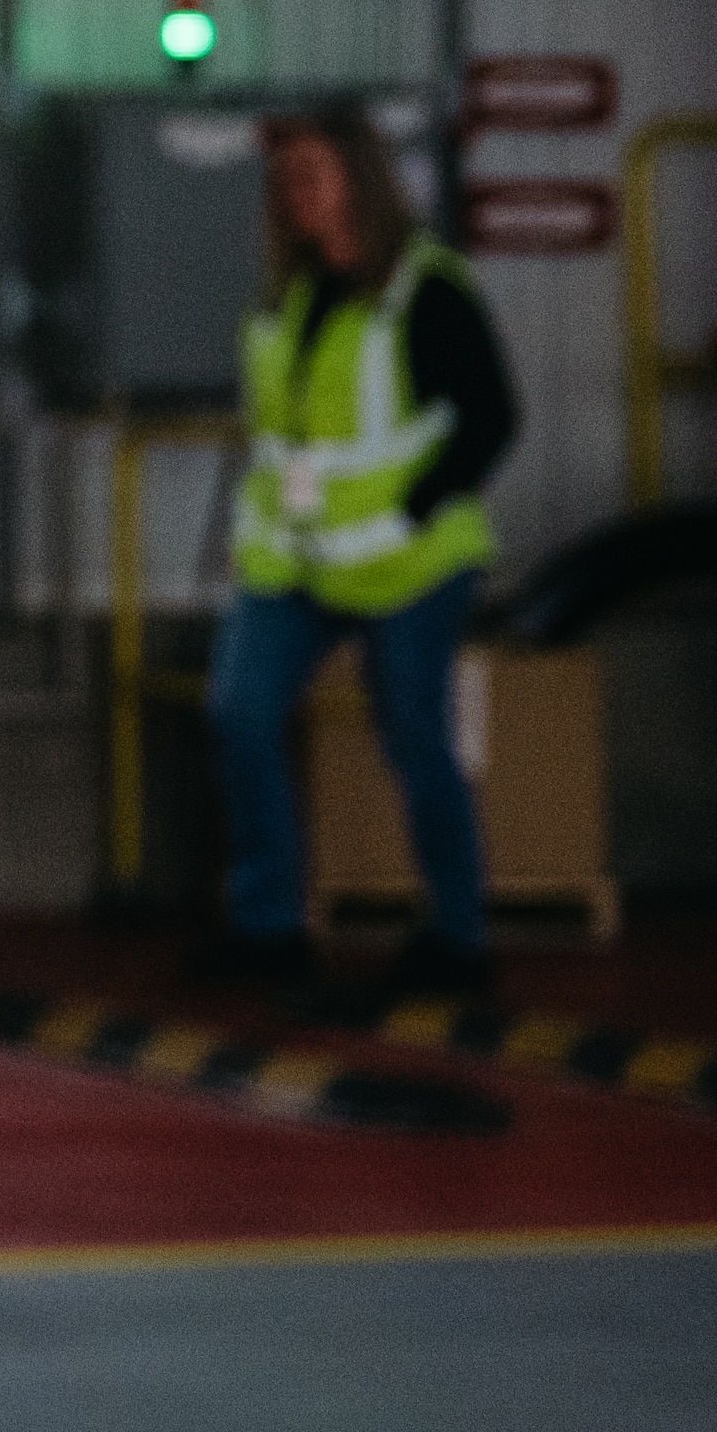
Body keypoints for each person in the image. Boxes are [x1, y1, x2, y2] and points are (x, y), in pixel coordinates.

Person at [197, 100, 521, 997]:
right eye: (284, 177)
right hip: (297, 561)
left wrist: (415, 507)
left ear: (360, 181)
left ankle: (460, 936)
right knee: (240, 712)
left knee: (415, 735)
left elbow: (493, 417)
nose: (294, 191)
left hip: (407, 561)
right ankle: (269, 926)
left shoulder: (427, 290)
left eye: (313, 172)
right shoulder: (289, 296)